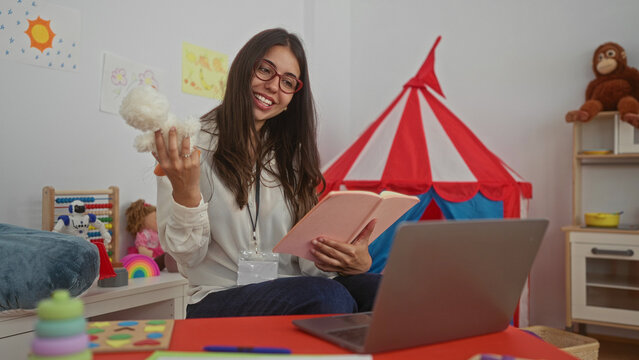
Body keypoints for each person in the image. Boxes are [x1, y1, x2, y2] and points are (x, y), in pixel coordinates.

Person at [153, 28, 381, 318]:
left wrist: (347, 260)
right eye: (265, 70)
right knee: (327, 297)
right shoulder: (190, 145)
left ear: (291, 99)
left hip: (293, 288)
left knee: (384, 290)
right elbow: (186, 256)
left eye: (288, 82)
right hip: (218, 295)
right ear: (243, 69)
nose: (274, 86)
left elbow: (306, 264)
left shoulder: (293, 158)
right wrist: (186, 195)